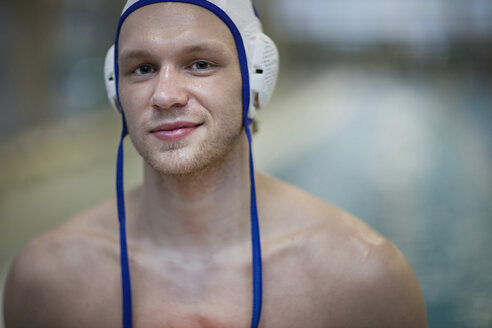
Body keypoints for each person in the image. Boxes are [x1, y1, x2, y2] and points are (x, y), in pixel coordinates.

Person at [3, 0, 427, 327]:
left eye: (200, 64)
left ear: (257, 76)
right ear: (115, 89)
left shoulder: (362, 279)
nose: (165, 95)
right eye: (143, 68)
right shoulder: (46, 278)